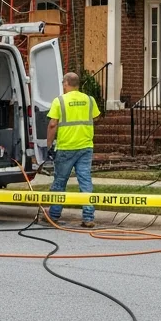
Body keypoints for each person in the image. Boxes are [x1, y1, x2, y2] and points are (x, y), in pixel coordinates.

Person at [46, 72, 101, 228]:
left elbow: (52, 125)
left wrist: (49, 145)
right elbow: (95, 118)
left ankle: (54, 215)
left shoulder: (60, 101)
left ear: (66, 84)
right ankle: (88, 217)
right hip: (85, 146)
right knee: (85, 182)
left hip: (66, 147)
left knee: (60, 182)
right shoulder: (89, 100)